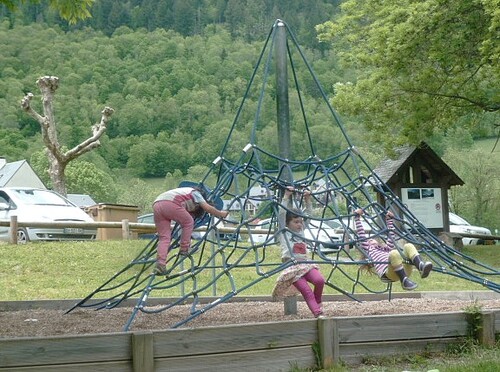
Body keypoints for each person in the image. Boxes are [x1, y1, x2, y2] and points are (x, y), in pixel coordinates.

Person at [272, 186, 325, 317]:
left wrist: (308, 199)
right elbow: (282, 214)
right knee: (306, 291)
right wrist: (286, 196)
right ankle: (317, 313)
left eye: (300, 222)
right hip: (292, 267)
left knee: (319, 281)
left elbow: (309, 215)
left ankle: (317, 300)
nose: (300, 224)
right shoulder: (284, 232)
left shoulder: (301, 231)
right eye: (296, 222)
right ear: (287, 223)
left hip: (305, 264)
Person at [153, 186, 229, 275]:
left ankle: (160, 264)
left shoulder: (184, 194)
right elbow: (207, 208)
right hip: (170, 203)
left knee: (164, 237)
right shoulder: (195, 193)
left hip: (157, 204)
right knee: (188, 222)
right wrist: (221, 214)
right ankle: (185, 248)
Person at [354, 208, 433, 290]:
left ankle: (421, 266)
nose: (371, 240)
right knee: (394, 253)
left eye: (371, 239)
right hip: (389, 273)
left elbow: (391, 236)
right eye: (369, 240)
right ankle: (404, 282)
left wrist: (389, 220)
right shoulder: (369, 250)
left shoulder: (386, 248)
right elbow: (361, 235)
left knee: (408, 246)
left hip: (403, 269)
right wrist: (357, 218)